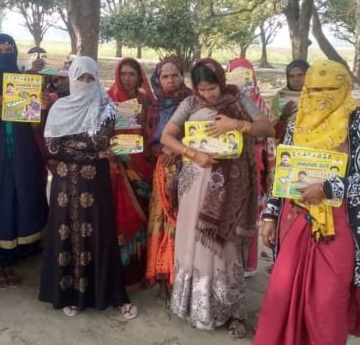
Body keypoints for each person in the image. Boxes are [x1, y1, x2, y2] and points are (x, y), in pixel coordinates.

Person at [255, 60, 360, 345]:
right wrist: (270, 215)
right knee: (285, 292)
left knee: (328, 301)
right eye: (314, 90)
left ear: (346, 88)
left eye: (330, 89)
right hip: (294, 218)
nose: (321, 96)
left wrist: (329, 188)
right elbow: (284, 171)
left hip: (340, 224)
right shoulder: (298, 122)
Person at [161, 59, 274, 337]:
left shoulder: (238, 99)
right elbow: (167, 137)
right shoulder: (190, 103)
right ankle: (195, 306)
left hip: (232, 185)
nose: (207, 95)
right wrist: (193, 154)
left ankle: (232, 310)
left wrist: (236, 124)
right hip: (196, 182)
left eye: (211, 88)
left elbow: (267, 128)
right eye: (201, 89)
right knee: (194, 239)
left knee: (228, 245)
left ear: (221, 83)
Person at [38, 56, 138, 319]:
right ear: (72, 79)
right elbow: (52, 148)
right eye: (80, 77)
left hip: (95, 184)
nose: (84, 82)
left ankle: (107, 295)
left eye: (90, 78)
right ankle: (68, 295)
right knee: (65, 232)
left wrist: (73, 145)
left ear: (96, 79)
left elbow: (101, 141)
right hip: (65, 184)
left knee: (100, 234)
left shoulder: (107, 108)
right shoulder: (60, 107)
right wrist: (92, 154)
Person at [0, 34, 48, 288]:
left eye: (9, 49)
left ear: (15, 51)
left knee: (22, 199)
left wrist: (40, 108)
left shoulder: (26, 80)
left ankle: (13, 257)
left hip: (24, 154)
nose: (4, 54)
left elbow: (35, 125)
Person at [105, 57, 155, 289]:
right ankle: (117, 274)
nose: (127, 78)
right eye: (123, 74)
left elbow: (154, 134)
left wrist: (145, 122)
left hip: (141, 166)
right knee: (118, 220)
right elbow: (98, 130)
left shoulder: (146, 101)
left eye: (131, 74)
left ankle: (140, 272)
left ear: (139, 76)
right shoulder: (107, 99)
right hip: (116, 168)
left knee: (140, 219)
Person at [145, 57, 192, 299]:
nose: (170, 80)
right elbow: (149, 138)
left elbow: (201, 135)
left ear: (182, 77)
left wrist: (179, 148)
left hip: (190, 168)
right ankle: (164, 274)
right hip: (163, 169)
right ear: (158, 80)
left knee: (184, 221)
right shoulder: (155, 106)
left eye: (175, 75)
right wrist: (163, 149)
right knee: (162, 221)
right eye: (165, 76)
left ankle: (183, 276)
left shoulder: (193, 101)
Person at [227, 58, 276, 276]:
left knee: (250, 213)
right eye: (235, 73)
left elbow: (267, 134)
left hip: (253, 162)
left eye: (245, 74)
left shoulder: (258, 102)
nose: (240, 79)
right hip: (228, 161)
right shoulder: (224, 100)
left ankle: (248, 264)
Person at [270, 59, 309, 144]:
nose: (296, 79)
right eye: (291, 76)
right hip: (286, 144)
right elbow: (272, 132)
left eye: (300, 75)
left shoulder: (316, 96)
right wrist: (284, 117)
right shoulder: (281, 96)